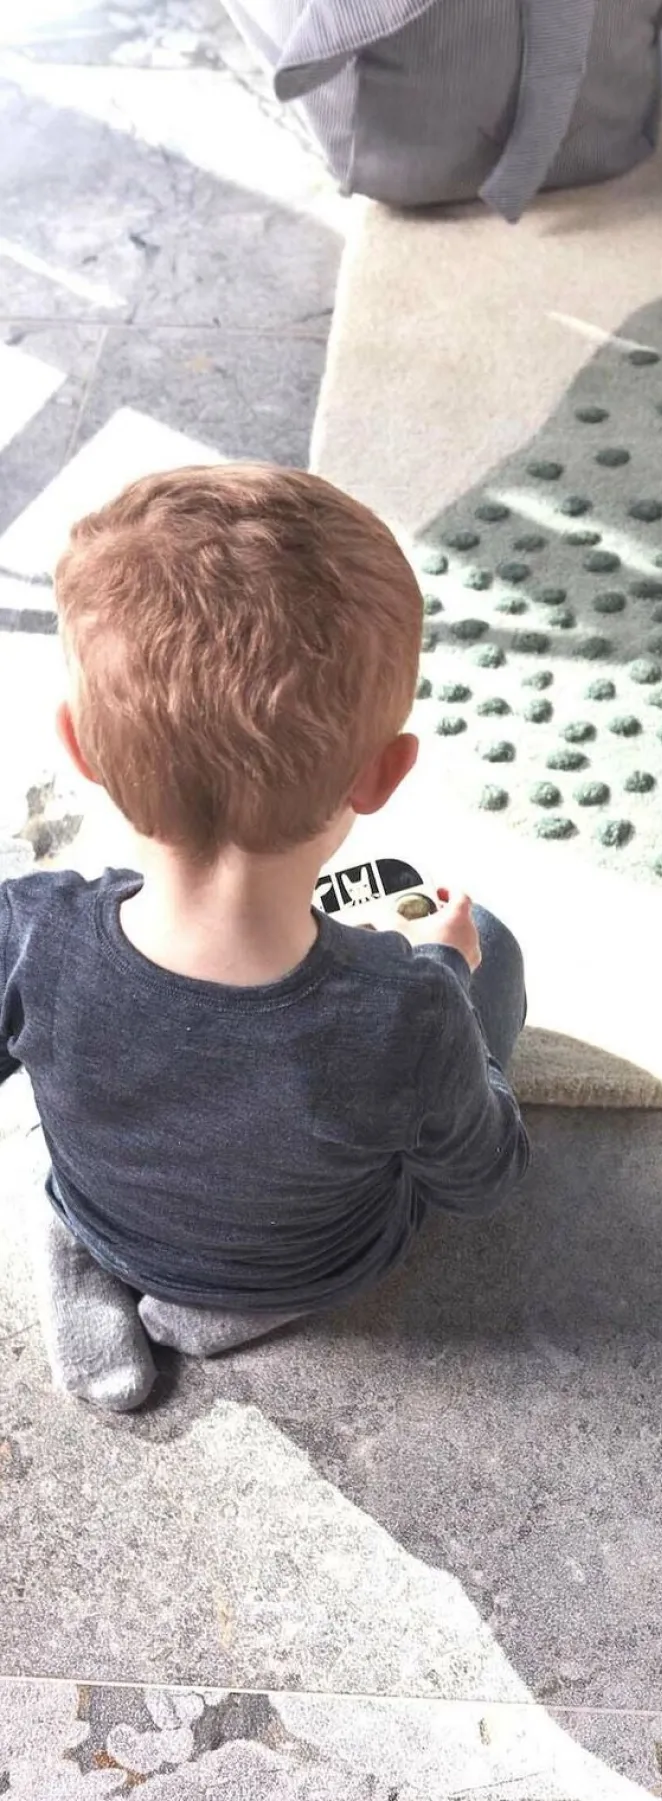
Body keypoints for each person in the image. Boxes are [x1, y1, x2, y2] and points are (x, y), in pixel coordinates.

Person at [0, 464, 529, 1412]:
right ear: (383, 774)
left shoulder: (32, 931)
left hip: (110, 1202)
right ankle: (234, 1303)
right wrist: (446, 970)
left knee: (85, 1141)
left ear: (79, 746)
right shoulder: (404, 1012)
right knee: (489, 943)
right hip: (312, 1257)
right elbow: (483, 1177)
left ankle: (86, 1247)